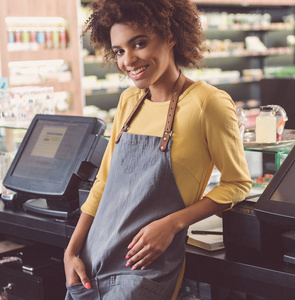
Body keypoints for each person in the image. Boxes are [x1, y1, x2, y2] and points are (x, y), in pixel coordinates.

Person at [63, 0, 252, 299]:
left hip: (145, 268)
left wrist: (172, 224)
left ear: (171, 35)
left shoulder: (208, 103)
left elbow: (237, 184)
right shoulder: (129, 100)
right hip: (91, 258)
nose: (128, 60)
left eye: (139, 44)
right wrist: (71, 251)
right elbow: (104, 181)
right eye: (119, 51)